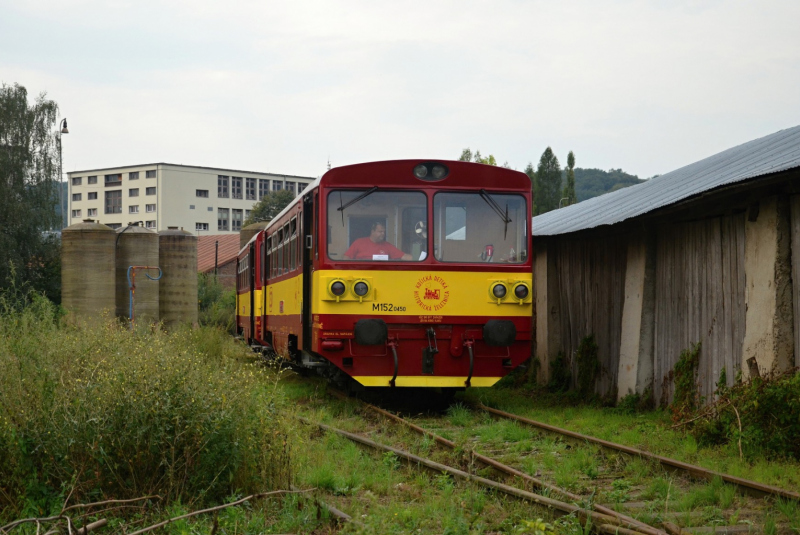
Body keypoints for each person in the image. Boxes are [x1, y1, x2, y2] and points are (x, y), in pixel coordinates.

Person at [343, 222, 412, 260]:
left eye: (384, 232)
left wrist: (420, 259)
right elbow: (346, 257)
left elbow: (404, 256)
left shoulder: (387, 245)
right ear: (372, 232)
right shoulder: (359, 242)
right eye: (380, 231)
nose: (383, 234)